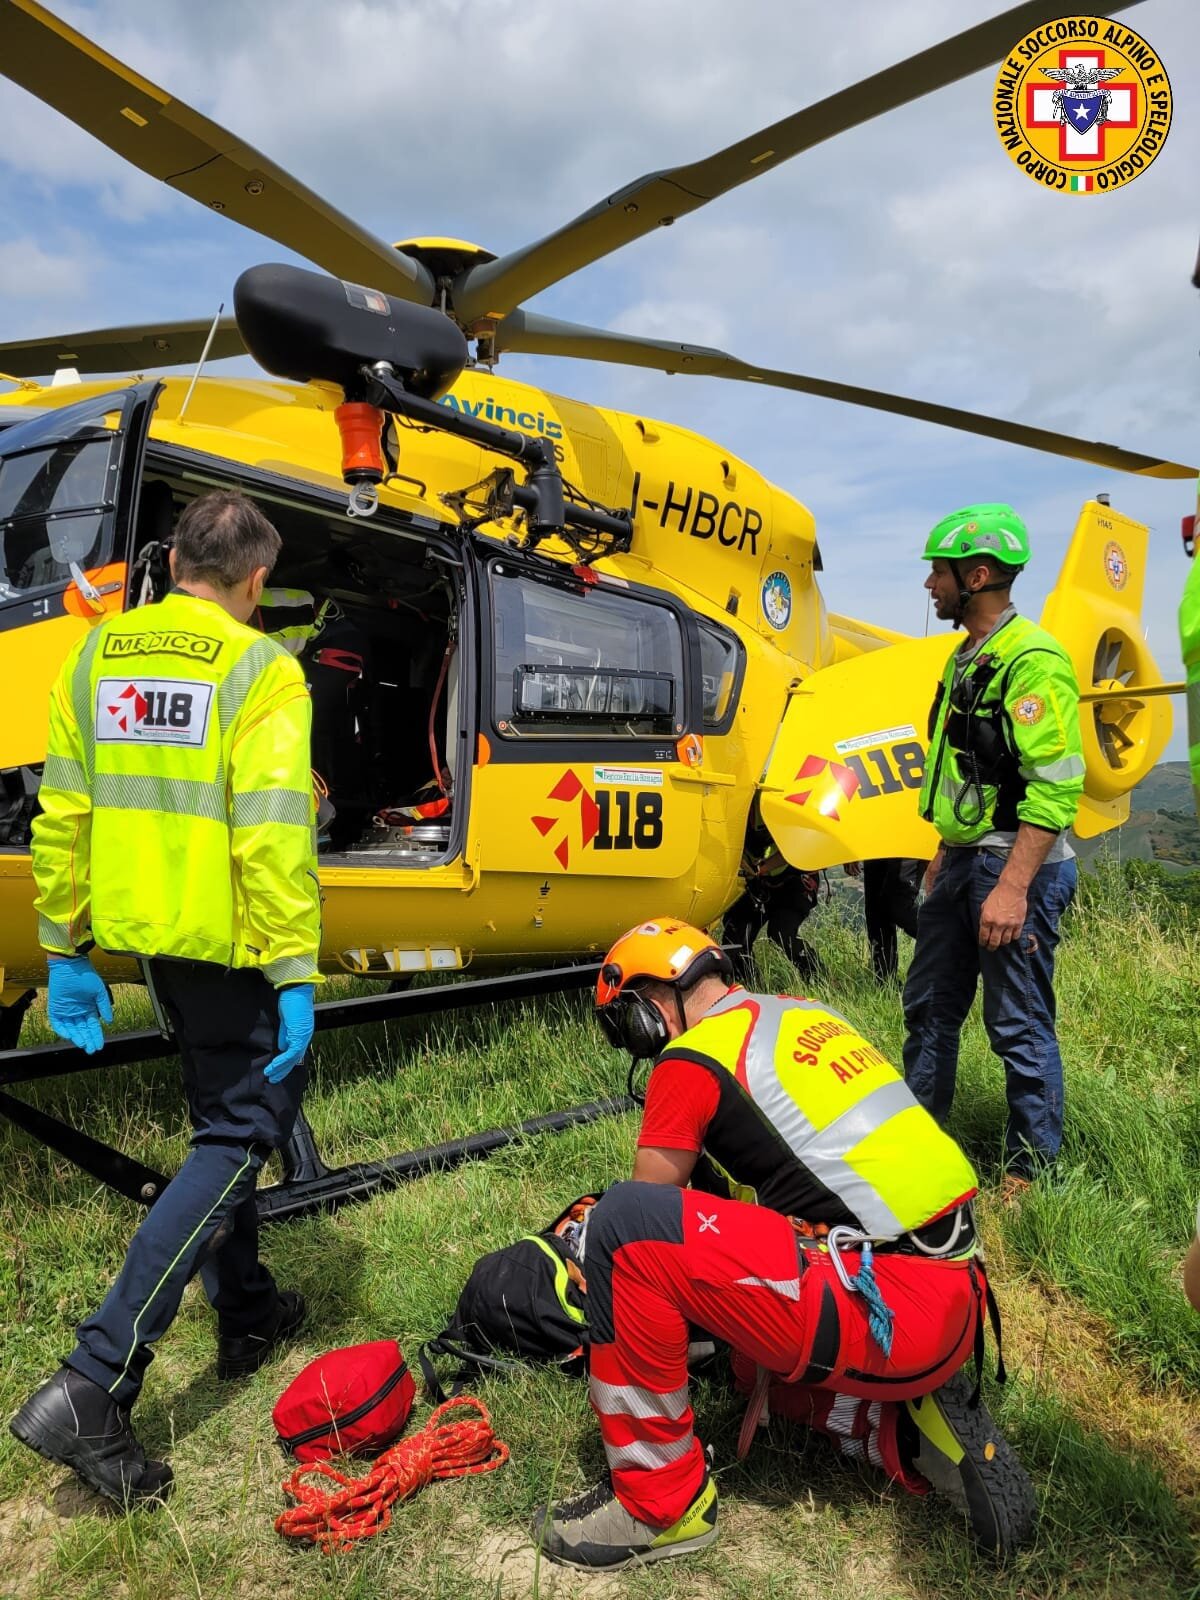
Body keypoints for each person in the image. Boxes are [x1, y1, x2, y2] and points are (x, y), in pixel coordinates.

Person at [532, 918, 1036, 1571]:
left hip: (883, 1303)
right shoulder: (801, 1014)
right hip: (955, 1290)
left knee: (622, 1228)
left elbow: (649, 1208)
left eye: (627, 1027)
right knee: (741, 1362)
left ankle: (657, 1505)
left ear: (653, 1007)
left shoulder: (690, 1060)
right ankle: (894, 1431)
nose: (637, 1045)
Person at [11, 491, 322, 1506]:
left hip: (152, 945)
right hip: (232, 944)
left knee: (216, 1124)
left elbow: (62, 816)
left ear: (176, 558)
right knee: (237, 1139)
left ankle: (249, 1311)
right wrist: (296, 971)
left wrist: (63, 947)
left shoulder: (94, 657)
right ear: (254, 580)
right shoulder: (261, 669)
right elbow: (273, 834)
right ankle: (95, 1380)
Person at [902, 506, 1083, 1199]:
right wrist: (944, 852)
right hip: (962, 860)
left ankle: (1032, 1171)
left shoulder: (1034, 662)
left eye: (939, 572)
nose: (929, 584)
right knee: (929, 1008)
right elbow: (962, 766)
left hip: (1015, 870)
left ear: (976, 577)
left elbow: (1055, 787)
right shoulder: (966, 658)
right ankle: (917, 1143)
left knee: (1017, 1022)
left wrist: (1011, 887)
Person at [846, 858, 926, 983]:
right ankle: (886, 984)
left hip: (908, 844)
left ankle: (951, 942)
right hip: (875, 846)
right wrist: (851, 854)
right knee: (876, 912)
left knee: (899, 907)